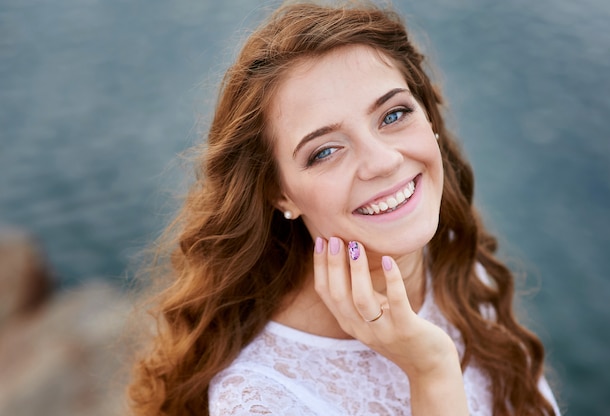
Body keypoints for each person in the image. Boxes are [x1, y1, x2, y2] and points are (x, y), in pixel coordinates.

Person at [127, 2, 561, 415]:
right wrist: (431, 370)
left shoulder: (452, 257)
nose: (383, 161)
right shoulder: (261, 400)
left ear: (428, 117)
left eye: (393, 115)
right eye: (325, 151)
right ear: (281, 195)